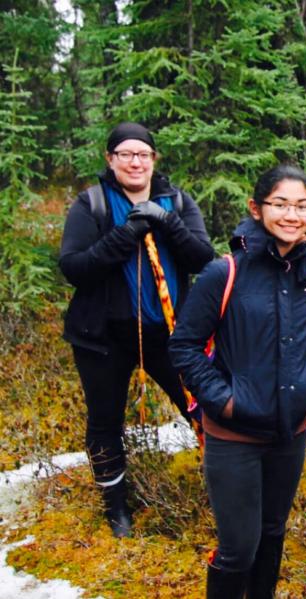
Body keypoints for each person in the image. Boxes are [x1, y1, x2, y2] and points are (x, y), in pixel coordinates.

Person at [169, 164, 306, 598]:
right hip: (234, 435)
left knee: (272, 532)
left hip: (291, 432)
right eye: (280, 204)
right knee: (238, 548)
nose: (292, 215)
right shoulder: (223, 273)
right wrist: (224, 401)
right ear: (257, 208)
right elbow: (184, 346)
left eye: (301, 206)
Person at [58, 122, 214, 538]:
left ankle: (225, 489)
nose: (135, 161)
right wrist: (127, 234)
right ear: (110, 160)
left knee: (202, 407)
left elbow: (203, 258)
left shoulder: (176, 201)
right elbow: (74, 267)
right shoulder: (91, 204)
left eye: (142, 154)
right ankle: (116, 509)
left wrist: (166, 223)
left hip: (170, 335)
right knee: (105, 422)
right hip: (102, 338)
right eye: (125, 154)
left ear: (153, 160)